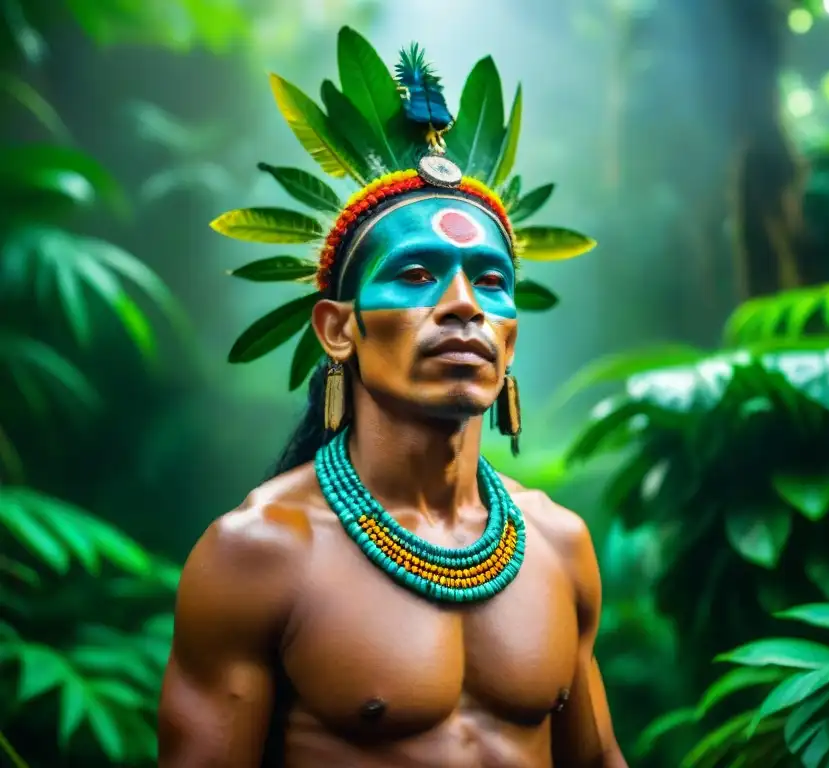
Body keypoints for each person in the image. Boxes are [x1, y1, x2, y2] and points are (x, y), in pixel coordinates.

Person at [157, 27, 626, 768]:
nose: (464, 305)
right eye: (415, 275)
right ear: (338, 329)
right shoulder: (259, 554)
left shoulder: (559, 544)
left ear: (510, 338)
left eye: (493, 282)